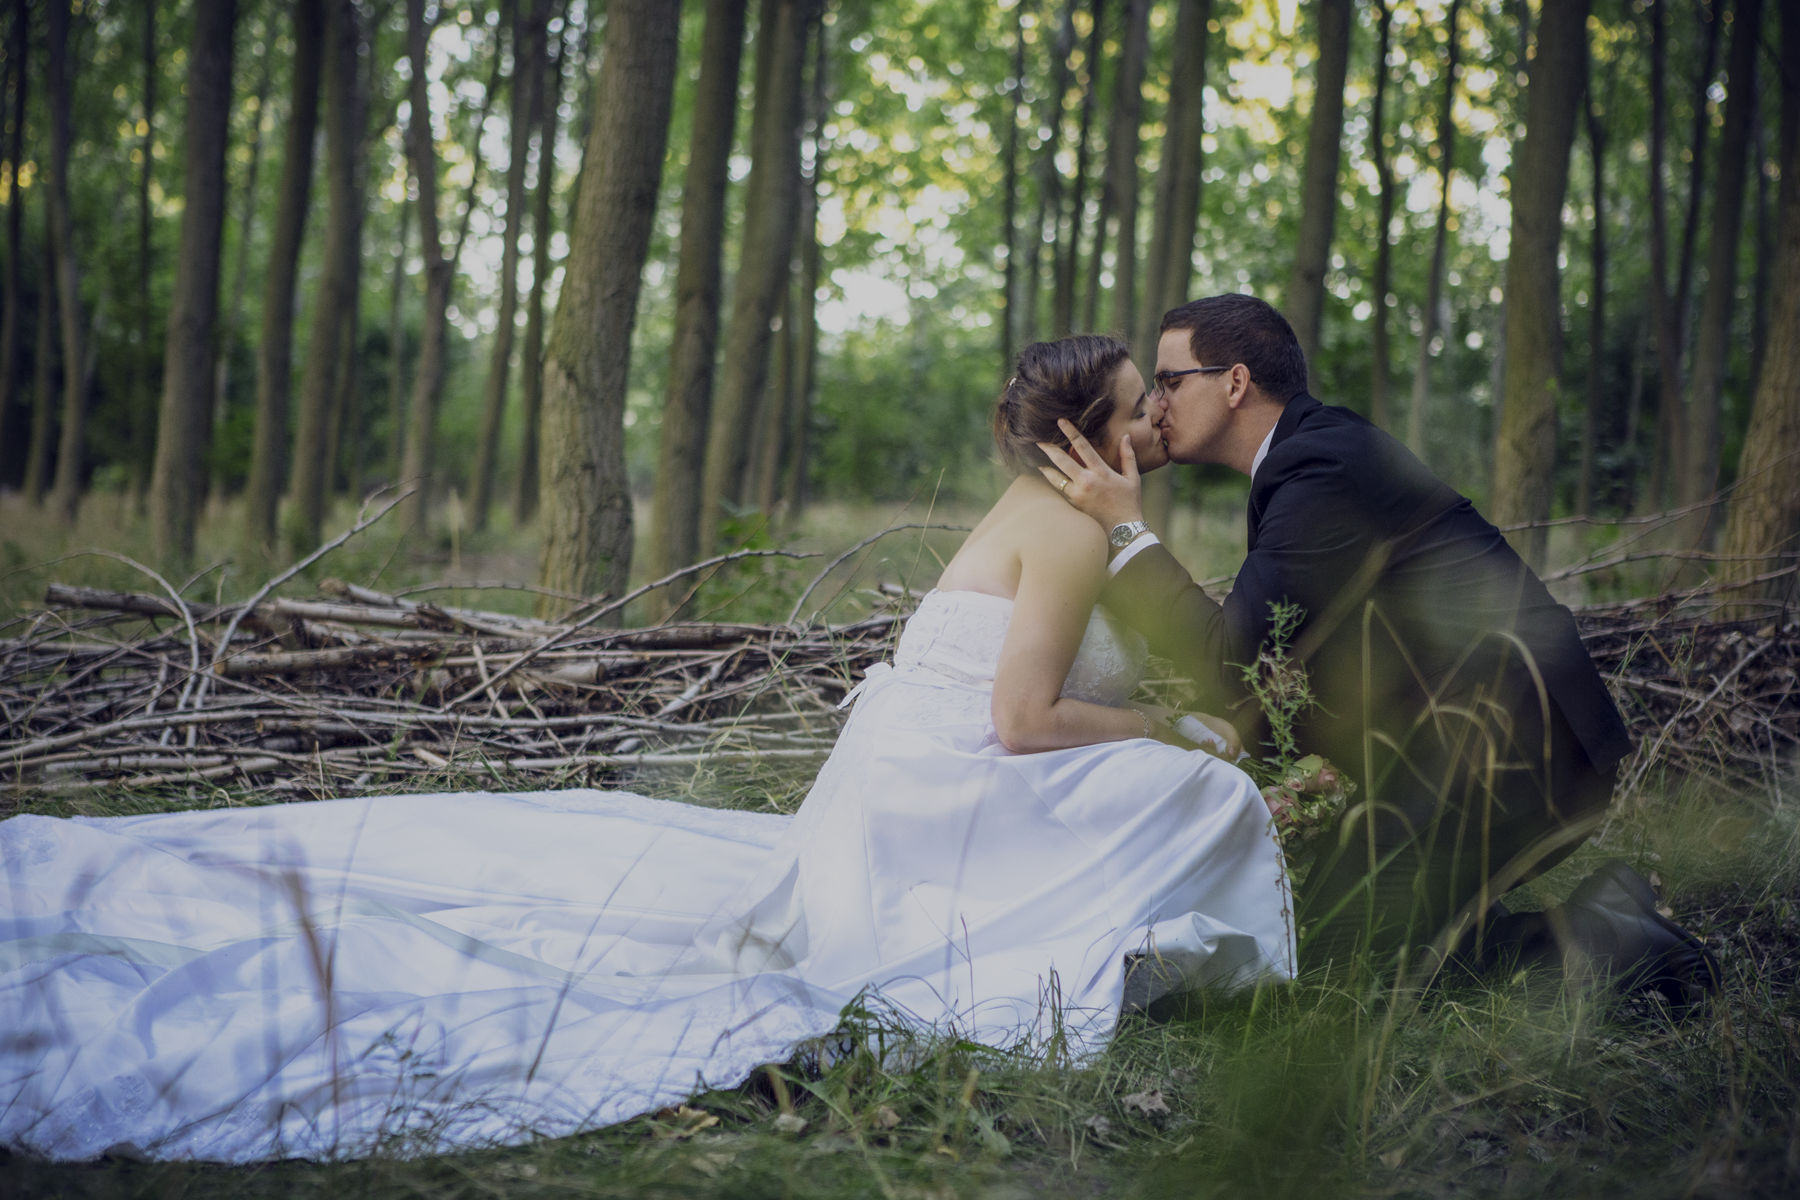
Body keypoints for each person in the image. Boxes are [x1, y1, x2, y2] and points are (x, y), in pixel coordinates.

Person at [0, 334, 1293, 1163]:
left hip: (910, 776)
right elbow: (1020, 724)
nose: (1153, 426)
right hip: (941, 789)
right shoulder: (1067, 529)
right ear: (1083, 437)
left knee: (1174, 773)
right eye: (1136, 411)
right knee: (1190, 784)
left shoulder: (1048, 511)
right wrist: (1165, 729)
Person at [1039, 295, 1717, 999]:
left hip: (1517, 754)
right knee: (1317, 941)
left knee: (1336, 972)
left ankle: (1615, 938)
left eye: (1169, 381)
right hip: (1448, 753)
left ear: (1234, 382)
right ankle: (1581, 910)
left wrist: (1124, 529)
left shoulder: (1319, 467)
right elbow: (1287, 659)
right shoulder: (1308, 458)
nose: (1156, 405)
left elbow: (1227, 661)